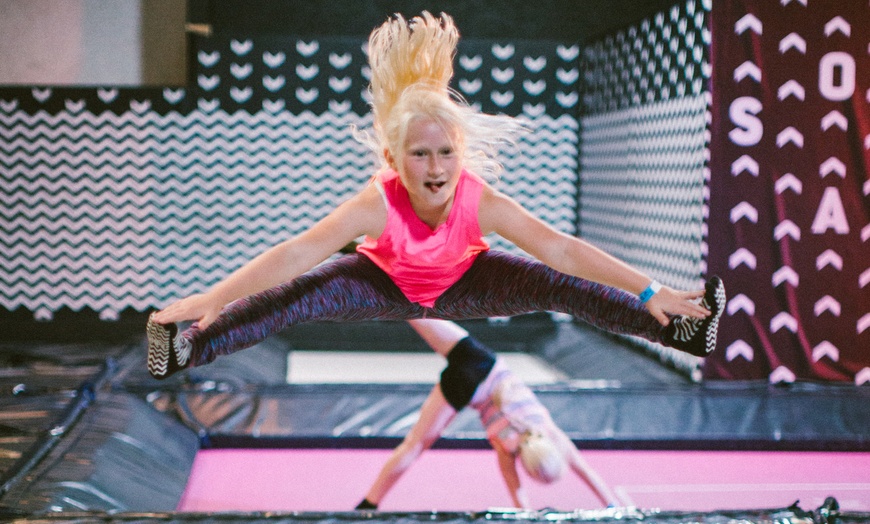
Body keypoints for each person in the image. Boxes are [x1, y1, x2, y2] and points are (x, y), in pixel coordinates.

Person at [146, 11, 726, 380]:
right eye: (420, 155)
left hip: (468, 282)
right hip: (381, 283)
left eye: (446, 152)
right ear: (396, 160)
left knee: (558, 286)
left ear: (461, 154)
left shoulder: (480, 199)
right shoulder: (380, 199)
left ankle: (680, 328)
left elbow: (562, 250)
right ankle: (182, 350)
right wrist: (215, 296)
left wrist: (653, 290)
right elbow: (301, 250)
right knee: (294, 297)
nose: (435, 167)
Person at [355, 318, 619, 510]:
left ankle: (378, 267)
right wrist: (526, 514)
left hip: (478, 360)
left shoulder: (547, 429)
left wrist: (614, 506)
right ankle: (369, 503)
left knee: (413, 309)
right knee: (415, 444)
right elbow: (515, 489)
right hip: (466, 390)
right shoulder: (508, 446)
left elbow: (587, 471)